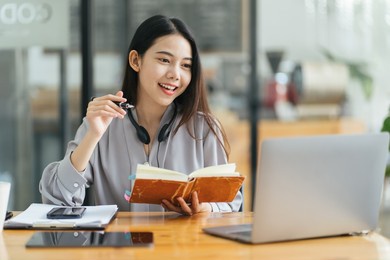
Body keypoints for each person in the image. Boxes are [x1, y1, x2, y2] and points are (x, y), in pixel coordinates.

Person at [39, 15, 242, 215]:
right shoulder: (102, 122)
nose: (175, 74)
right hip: (118, 247)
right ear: (136, 61)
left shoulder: (203, 127)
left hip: (183, 246)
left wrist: (207, 208)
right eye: (164, 60)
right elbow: (57, 199)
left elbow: (230, 202)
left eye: (185, 65)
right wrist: (92, 135)